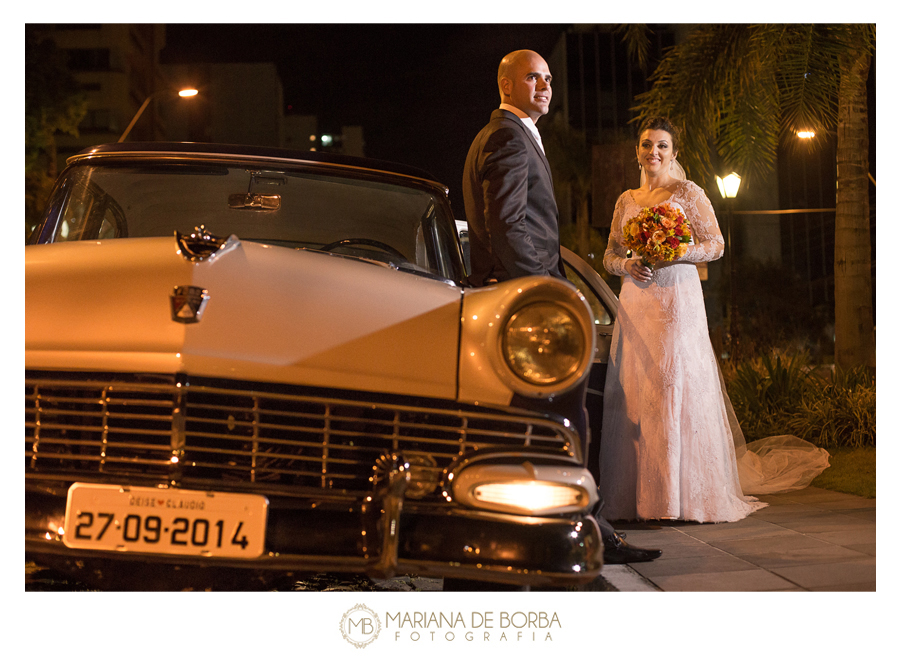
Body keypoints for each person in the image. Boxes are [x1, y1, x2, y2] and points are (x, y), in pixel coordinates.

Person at [463, 50, 661, 563]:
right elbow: (507, 224)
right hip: (524, 300)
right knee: (561, 415)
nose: (545, 86)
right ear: (506, 82)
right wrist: (546, 290)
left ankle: (576, 529)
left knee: (543, 421)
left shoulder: (512, 134)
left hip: (513, 294)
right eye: (533, 77)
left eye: (549, 79)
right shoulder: (507, 136)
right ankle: (584, 533)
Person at [599, 116, 827, 523]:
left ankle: (674, 500)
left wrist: (677, 252)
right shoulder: (626, 200)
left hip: (675, 301)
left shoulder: (687, 193)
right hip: (638, 302)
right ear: (637, 150)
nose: (654, 152)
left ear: (674, 152)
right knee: (637, 388)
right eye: (647, 144)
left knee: (671, 387)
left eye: (662, 146)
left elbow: (716, 244)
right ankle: (634, 498)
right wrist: (627, 264)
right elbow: (609, 255)